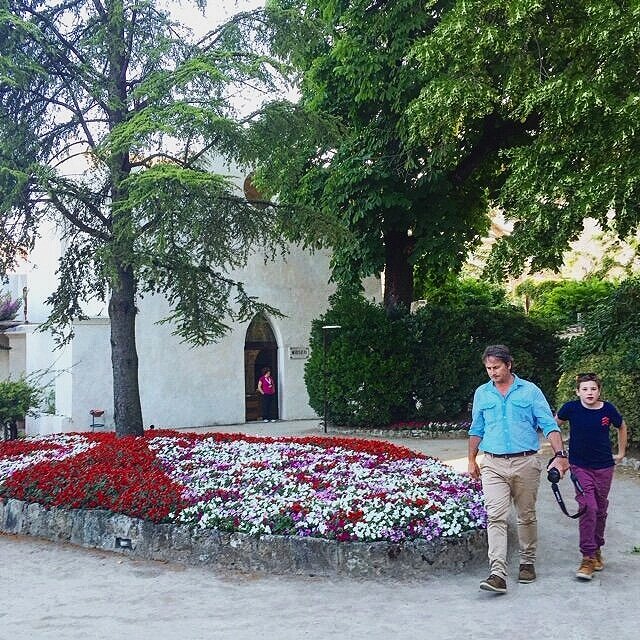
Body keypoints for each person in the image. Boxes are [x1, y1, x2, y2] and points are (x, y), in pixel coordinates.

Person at [468, 344, 569, 594]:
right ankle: (497, 573)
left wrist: (560, 454)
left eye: (497, 367)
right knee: (495, 515)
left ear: (509, 365)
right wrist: (471, 459)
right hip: (492, 463)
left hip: (526, 461)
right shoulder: (482, 393)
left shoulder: (530, 391)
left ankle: (527, 562)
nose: (492, 372)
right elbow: (476, 428)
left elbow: (548, 424)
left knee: (526, 515)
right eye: (488, 368)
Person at [555, 372, 627, 581]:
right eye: (585, 389)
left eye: (593, 389)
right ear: (577, 392)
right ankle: (587, 557)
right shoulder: (571, 408)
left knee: (601, 509)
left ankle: (596, 549)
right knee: (589, 507)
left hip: (604, 466)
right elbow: (553, 426)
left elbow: (622, 426)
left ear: (599, 391)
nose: (589, 392)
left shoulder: (608, 409)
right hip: (579, 466)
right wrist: (559, 454)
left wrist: (621, 453)